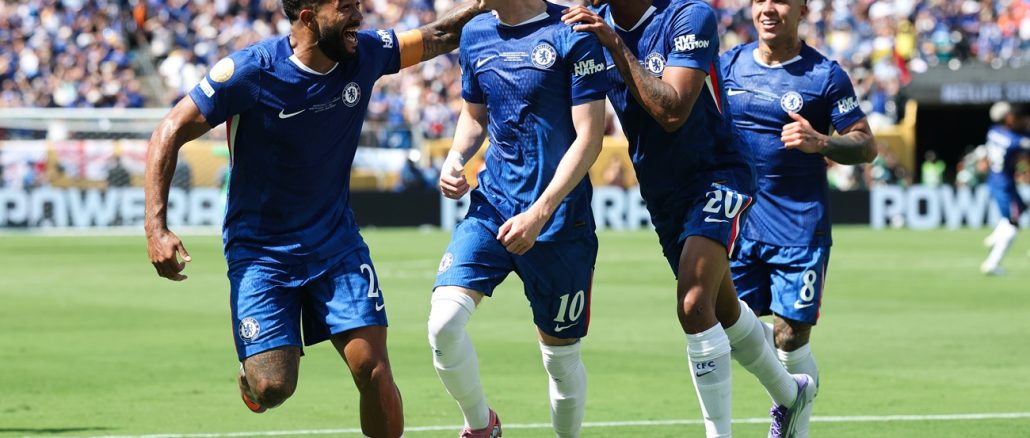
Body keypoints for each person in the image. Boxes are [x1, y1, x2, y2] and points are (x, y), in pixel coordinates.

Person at [143, 1, 484, 436]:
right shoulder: (251, 71)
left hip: (335, 244)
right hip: (261, 253)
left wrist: (492, 5)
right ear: (308, 17)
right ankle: (252, 379)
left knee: (373, 369)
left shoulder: (365, 52)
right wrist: (156, 227)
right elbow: (169, 130)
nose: (358, 17)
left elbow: (438, 35)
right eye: (345, 8)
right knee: (273, 387)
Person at [562, 1, 815, 437]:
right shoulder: (590, 25)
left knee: (693, 305)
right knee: (724, 310)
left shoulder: (687, 15)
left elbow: (673, 111)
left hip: (717, 172)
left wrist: (613, 42)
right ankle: (792, 395)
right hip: (663, 192)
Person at [429, 1, 610, 436]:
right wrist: (456, 159)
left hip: (559, 223)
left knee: (561, 362)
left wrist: (540, 212)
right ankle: (481, 426)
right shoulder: (475, 33)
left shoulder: (573, 31)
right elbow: (475, 115)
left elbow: (590, 137)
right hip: (492, 208)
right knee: (443, 325)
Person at [719, 0, 878, 436]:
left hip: (799, 228)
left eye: (781, 0)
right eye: (759, 1)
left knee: (790, 338)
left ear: (803, 9)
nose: (769, 9)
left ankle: (793, 429)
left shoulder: (824, 76)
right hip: (738, 226)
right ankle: (793, 393)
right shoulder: (726, 66)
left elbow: (865, 146)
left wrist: (820, 141)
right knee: (723, 333)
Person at [980, 101, 1030, 275]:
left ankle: (995, 236)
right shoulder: (1016, 140)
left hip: (994, 179)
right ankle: (992, 263)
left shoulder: (993, 131)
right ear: (1010, 118)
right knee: (1013, 223)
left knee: (1021, 208)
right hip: (1005, 184)